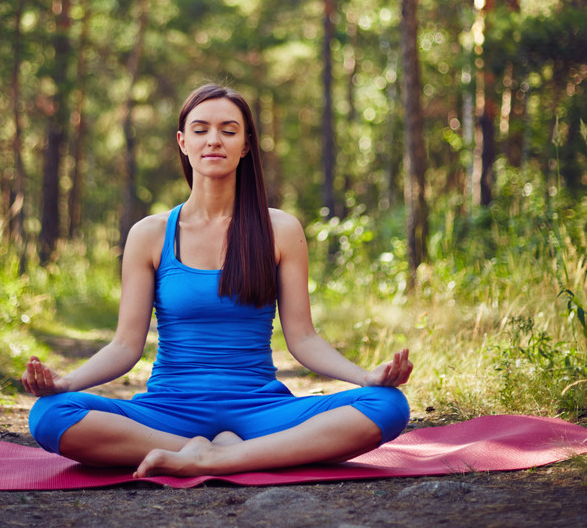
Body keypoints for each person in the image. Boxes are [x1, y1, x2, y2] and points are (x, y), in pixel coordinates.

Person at [23, 83, 412, 478]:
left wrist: (366, 377)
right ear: (182, 141)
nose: (214, 140)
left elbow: (304, 338)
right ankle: (223, 452)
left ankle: (214, 459)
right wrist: (66, 381)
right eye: (200, 129)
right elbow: (125, 346)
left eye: (228, 130)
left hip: (260, 410)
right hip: (168, 411)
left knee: (387, 405)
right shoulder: (150, 234)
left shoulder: (280, 229)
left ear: (245, 145)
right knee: (51, 414)